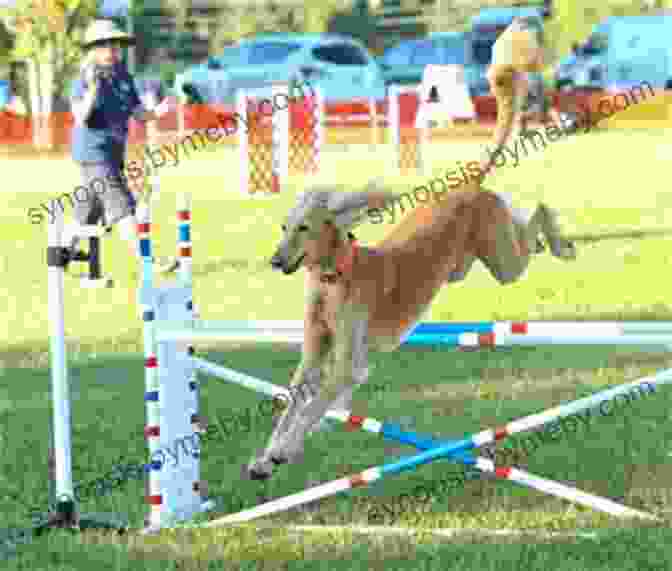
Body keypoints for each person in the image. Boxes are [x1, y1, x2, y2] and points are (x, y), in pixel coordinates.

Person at [67, 19, 177, 277]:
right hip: (93, 154)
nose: (112, 51)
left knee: (88, 210)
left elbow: (139, 113)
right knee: (123, 206)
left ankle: (59, 257)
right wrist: (93, 90)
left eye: (115, 45)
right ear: (93, 49)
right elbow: (81, 116)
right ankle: (150, 263)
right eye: (105, 46)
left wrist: (162, 109)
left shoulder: (123, 74)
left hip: (113, 154)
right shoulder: (84, 78)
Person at [479, 16, 547, 176]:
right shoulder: (528, 34)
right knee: (504, 128)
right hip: (509, 74)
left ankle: (522, 124)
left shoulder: (506, 36)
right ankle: (482, 169)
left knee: (510, 115)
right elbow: (533, 63)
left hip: (497, 74)